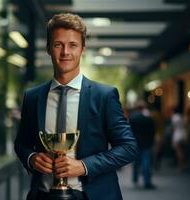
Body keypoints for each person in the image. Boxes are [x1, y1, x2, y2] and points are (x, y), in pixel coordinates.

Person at [14, 13, 138, 200]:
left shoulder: (104, 96)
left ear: (82, 49)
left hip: (91, 195)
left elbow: (128, 147)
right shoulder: (33, 98)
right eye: (58, 45)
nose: (65, 52)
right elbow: (21, 143)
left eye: (73, 45)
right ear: (48, 48)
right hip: (43, 195)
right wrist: (32, 158)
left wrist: (84, 166)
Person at [129, 101, 156, 189]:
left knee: (136, 162)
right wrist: (152, 142)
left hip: (135, 143)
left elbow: (129, 131)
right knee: (146, 162)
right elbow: (152, 131)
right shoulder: (147, 118)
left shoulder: (132, 118)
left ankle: (135, 178)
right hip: (146, 143)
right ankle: (147, 181)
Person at [171, 106, 186, 172]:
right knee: (182, 151)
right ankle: (183, 165)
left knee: (178, 152)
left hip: (177, 135)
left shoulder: (174, 117)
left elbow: (174, 128)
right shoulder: (181, 117)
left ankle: (180, 167)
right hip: (182, 134)